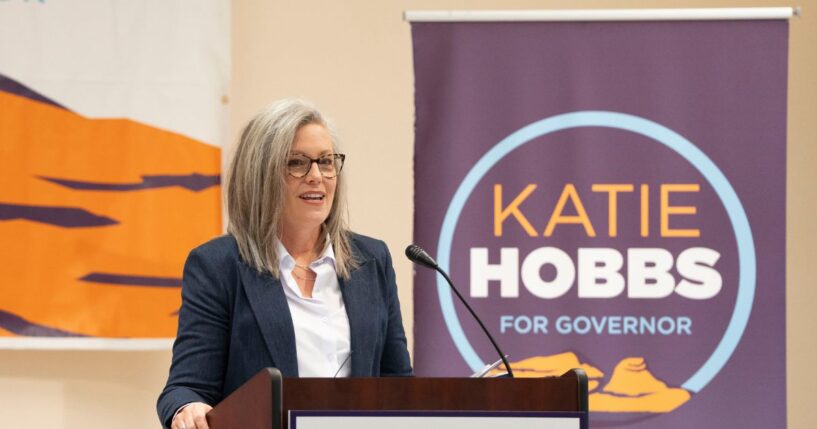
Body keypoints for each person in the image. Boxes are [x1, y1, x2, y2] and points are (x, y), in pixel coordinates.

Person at [156, 99, 412, 429]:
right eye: (297, 163)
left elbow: (399, 385)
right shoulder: (218, 266)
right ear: (260, 174)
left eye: (325, 161)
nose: (316, 176)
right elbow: (185, 387)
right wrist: (187, 408)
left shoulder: (372, 260)